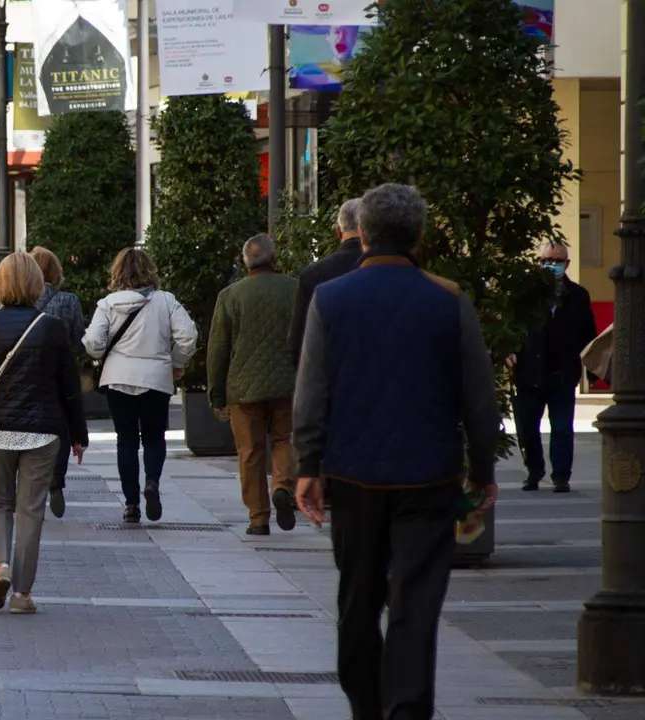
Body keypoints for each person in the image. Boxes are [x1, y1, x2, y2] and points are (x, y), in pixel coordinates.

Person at [294, 184, 500, 720]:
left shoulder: (330, 299)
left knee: (358, 598)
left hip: (353, 473)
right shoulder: (448, 299)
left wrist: (308, 465)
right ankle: (407, 709)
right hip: (428, 476)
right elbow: (480, 397)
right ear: (419, 235)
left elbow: (311, 392)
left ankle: (365, 704)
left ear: (362, 233)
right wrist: (481, 469)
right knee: (415, 603)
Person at [0, 252, 88, 614]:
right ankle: (22, 595)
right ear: (37, 284)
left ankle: (0, 565)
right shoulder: (52, 327)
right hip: (43, 430)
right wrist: (78, 434)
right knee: (31, 509)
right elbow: (69, 388)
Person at [83, 248, 197, 524]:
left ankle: (131, 504)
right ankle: (152, 482)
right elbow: (188, 337)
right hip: (156, 379)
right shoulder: (166, 301)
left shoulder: (108, 304)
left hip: (118, 379)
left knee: (126, 440)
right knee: (154, 437)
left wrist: (104, 353)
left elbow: (93, 343)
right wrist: (176, 362)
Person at [208, 234, 300, 535]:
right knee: (284, 439)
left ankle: (258, 519)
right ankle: (282, 487)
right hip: (287, 382)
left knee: (249, 451)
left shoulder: (230, 295)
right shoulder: (294, 289)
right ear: (274, 258)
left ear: (244, 261)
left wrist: (216, 393)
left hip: (243, 386)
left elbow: (218, 349)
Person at [509, 241, 598, 493]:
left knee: (561, 428)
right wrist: (510, 352)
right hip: (528, 372)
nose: (552, 265)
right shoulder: (525, 294)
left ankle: (560, 476)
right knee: (527, 427)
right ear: (539, 263)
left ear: (567, 264)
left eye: (558, 261)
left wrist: (592, 369)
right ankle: (534, 470)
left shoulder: (578, 295)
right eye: (547, 260)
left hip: (562, 373)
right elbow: (512, 327)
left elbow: (588, 334)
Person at [29, 246, 85, 518]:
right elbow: (79, 339)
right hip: (60, 374)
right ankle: (57, 477)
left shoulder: (19, 301)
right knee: (60, 428)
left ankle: (32, 478)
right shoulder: (69, 301)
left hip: (27, 374)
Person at [288, 198, 364, 365]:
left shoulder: (313, 275)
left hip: (328, 371)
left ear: (338, 231)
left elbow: (298, 342)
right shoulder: (384, 271)